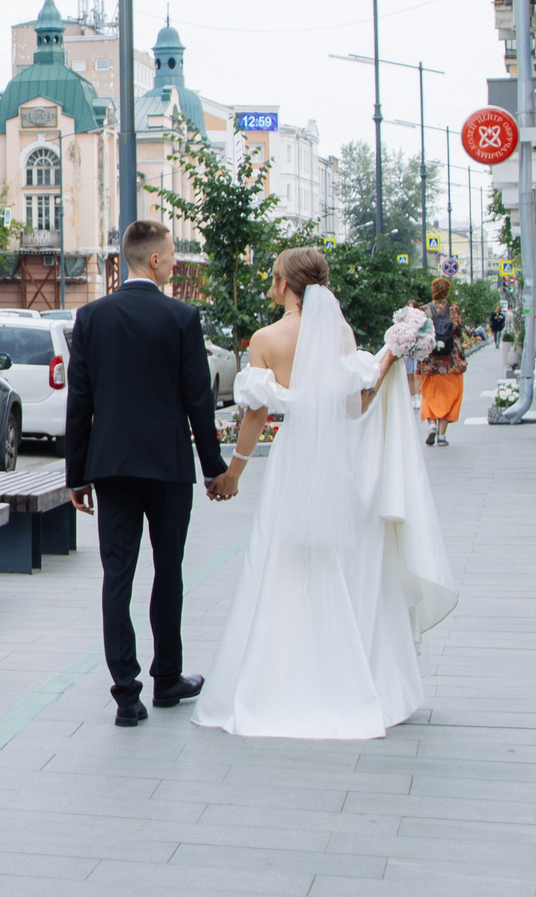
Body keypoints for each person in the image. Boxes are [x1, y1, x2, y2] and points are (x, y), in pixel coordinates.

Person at [195, 247, 458, 740]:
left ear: (284, 284)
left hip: (295, 455)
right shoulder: (340, 333)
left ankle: (279, 677)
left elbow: (256, 414)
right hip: (337, 457)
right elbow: (354, 404)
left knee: (283, 559)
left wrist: (234, 473)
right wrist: (387, 359)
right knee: (337, 560)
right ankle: (344, 671)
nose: (271, 285)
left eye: (274, 277)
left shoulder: (266, 340)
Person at [64, 219, 229, 728]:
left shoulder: (91, 317)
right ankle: (167, 680)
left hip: (111, 467)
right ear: (153, 260)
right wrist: (214, 469)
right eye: (172, 254)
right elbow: (198, 400)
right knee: (168, 571)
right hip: (168, 466)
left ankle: (125, 694)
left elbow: (80, 401)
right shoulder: (181, 317)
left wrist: (77, 475)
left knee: (117, 575)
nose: (175, 262)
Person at [418, 276, 467, 446]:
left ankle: (431, 425)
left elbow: (420, 334)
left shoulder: (424, 310)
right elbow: (458, 331)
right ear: (447, 291)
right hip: (450, 361)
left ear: (433, 290)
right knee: (450, 395)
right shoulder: (453, 309)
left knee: (429, 393)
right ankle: (441, 435)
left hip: (430, 361)